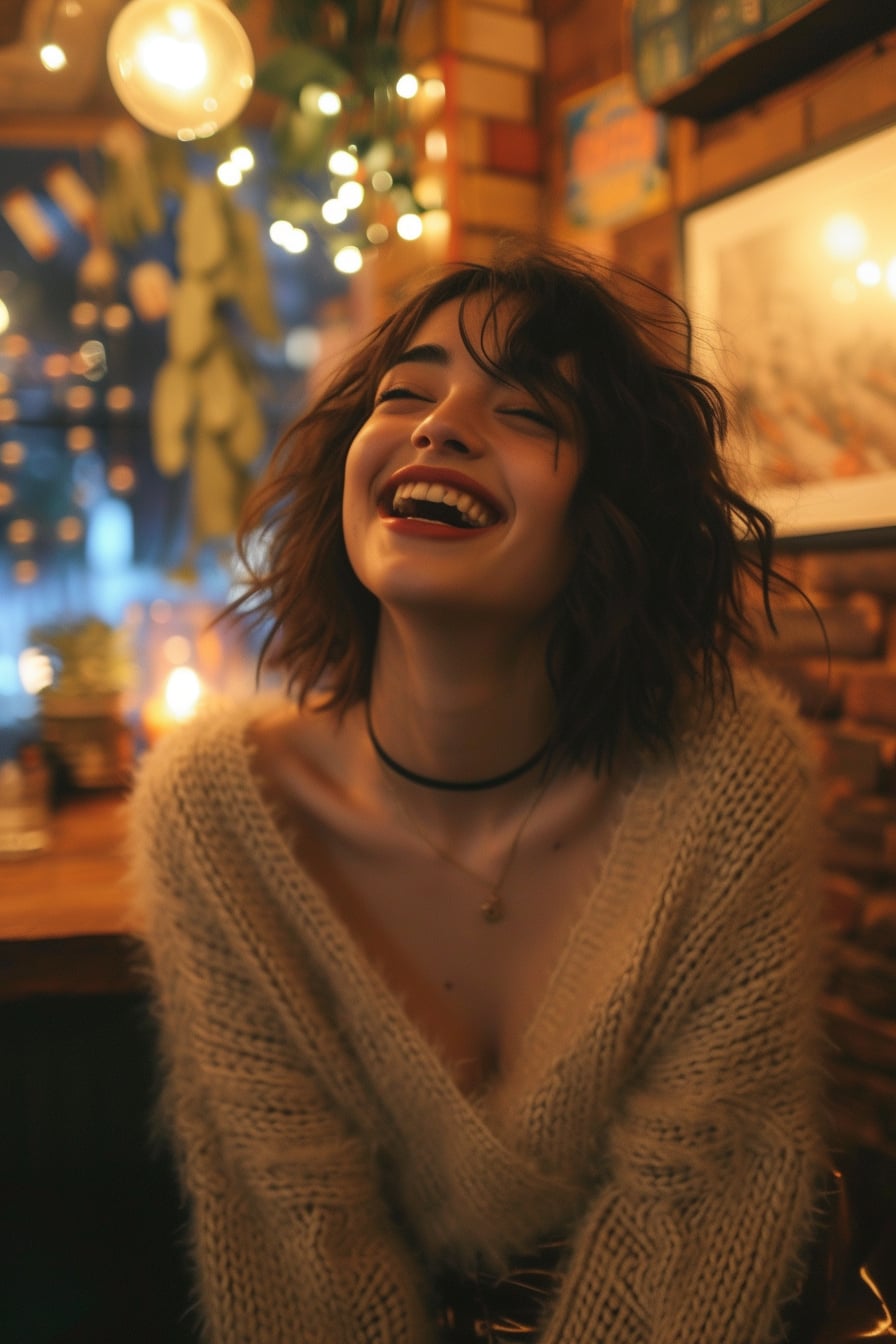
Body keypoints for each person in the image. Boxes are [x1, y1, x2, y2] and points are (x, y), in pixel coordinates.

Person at [129, 239, 829, 1344]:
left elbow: (702, 1202)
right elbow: (295, 1237)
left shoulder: (726, 783)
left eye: (526, 413)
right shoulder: (218, 809)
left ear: (612, 511)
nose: (436, 425)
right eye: (403, 394)